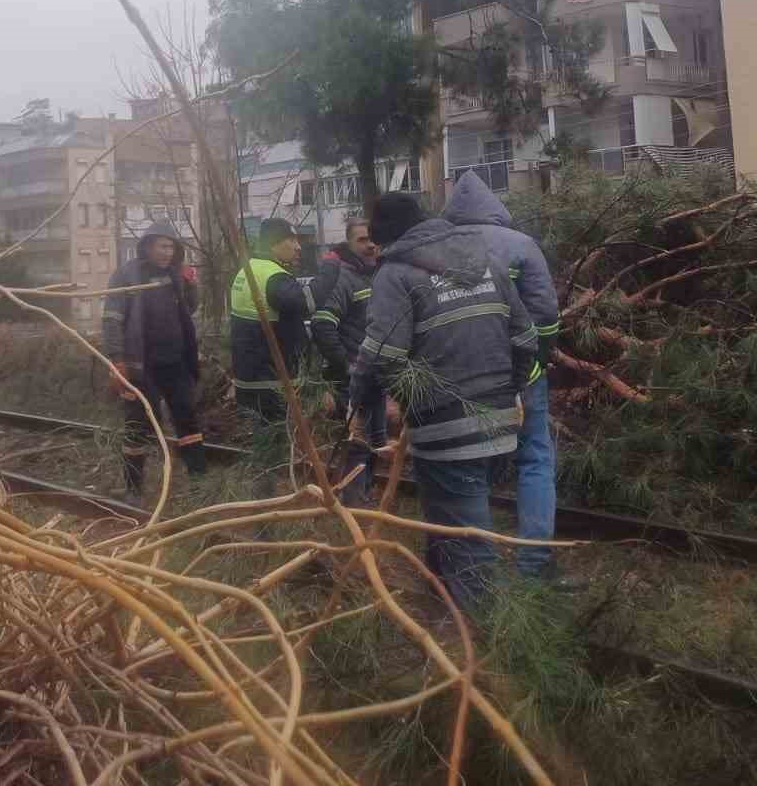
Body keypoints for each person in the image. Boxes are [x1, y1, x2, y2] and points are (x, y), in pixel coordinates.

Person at [353, 193, 538, 612]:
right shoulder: (489, 260)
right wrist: (510, 392)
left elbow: (379, 357)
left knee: (465, 536)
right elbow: (526, 339)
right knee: (445, 516)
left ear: (387, 236)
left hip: (445, 426)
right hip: (499, 419)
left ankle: (487, 640)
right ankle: (440, 603)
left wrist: (378, 405)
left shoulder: (395, 275)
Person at [442, 170, 572, 586]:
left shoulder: (435, 250)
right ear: (495, 209)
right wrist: (541, 360)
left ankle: (476, 568)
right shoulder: (520, 245)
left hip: (460, 377)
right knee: (534, 458)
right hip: (521, 374)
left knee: (471, 465)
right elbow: (546, 315)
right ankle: (535, 564)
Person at [101, 222, 205, 495]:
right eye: (162, 246)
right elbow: (111, 321)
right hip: (140, 367)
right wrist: (117, 361)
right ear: (147, 246)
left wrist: (192, 285)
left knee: (187, 418)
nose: (167, 252)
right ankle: (133, 488)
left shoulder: (175, 275)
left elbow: (190, 308)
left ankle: (200, 483)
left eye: (171, 246)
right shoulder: (126, 276)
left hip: (175, 363)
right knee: (138, 425)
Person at [311, 219, 381, 500]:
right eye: (362, 240)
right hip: (354, 376)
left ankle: (363, 495)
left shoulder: (377, 274)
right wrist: (346, 366)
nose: (370, 245)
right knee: (358, 442)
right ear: (349, 243)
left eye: (372, 239)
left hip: (376, 375)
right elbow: (322, 324)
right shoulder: (343, 278)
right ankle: (353, 506)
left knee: (375, 440)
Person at [228, 218, 313, 422]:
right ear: (274, 244)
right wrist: (331, 270)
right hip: (272, 381)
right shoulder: (274, 276)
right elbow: (305, 304)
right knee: (281, 438)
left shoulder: (249, 268)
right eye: (291, 241)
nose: (298, 247)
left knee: (260, 440)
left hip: (249, 377)